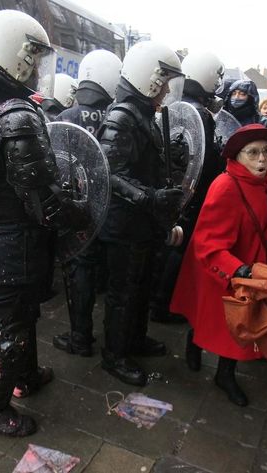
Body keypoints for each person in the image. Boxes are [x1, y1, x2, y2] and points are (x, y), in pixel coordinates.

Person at [0, 10, 87, 436]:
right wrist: (80, 215)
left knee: (19, 317)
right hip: (16, 240)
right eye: (32, 55)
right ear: (16, 54)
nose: (35, 66)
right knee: (8, 327)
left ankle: (23, 378)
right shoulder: (16, 115)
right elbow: (41, 200)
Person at [170, 124, 267, 406]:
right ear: (237, 155)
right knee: (219, 321)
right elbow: (207, 244)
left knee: (240, 324)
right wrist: (237, 270)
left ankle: (224, 374)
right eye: (253, 152)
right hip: (221, 267)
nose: (262, 159)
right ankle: (194, 340)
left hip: (250, 264)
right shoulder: (225, 186)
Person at [97, 40, 186, 385]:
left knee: (140, 285)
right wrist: (149, 197)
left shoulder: (142, 114)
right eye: (162, 81)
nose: (165, 89)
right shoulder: (122, 116)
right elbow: (109, 173)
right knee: (123, 292)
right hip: (124, 223)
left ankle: (133, 340)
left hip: (140, 222)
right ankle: (114, 355)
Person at [53, 49, 122, 356]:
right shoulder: (117, 116)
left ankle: (80, 337)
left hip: (80, 209)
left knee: (80, 270)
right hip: (114, 206)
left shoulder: (66, 117)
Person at [149, 50, 225, 324]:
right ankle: (163, 306)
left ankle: (158, 303)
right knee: (176, 251)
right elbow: (202, 162)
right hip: (189, 197)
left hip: (172, 193)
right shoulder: (199, 115)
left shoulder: (175, 106)